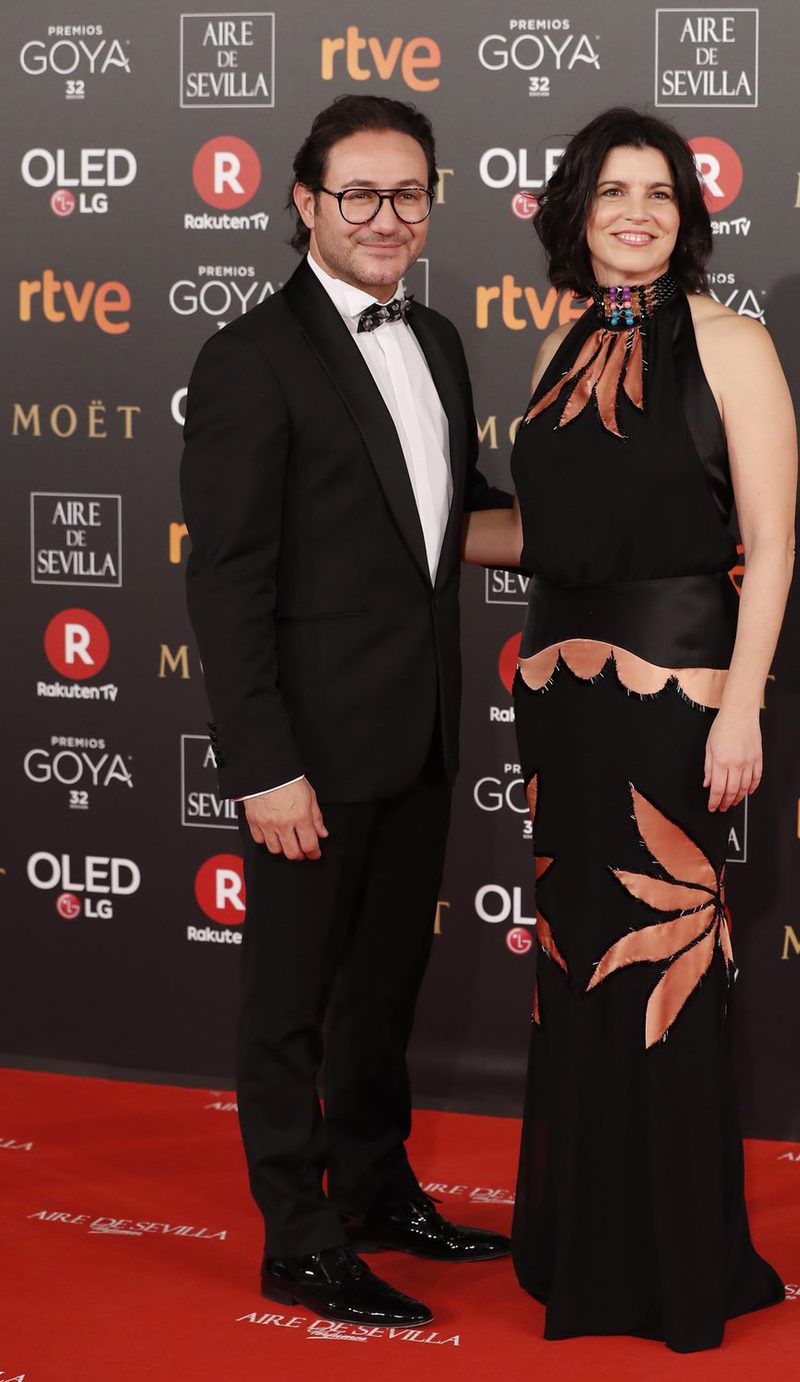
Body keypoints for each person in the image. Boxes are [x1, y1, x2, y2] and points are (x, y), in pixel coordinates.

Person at [464, 107, 795, 1352]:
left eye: (660, 192)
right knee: (573, 971)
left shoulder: (732, 343)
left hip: (681, 699)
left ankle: (670, 1262)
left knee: (665, 963)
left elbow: (767, 550)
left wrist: (745, 700)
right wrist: (389, 520)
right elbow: (542, 536)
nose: (637, 212)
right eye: (613, 191)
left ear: (688, 216)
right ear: (577, 211)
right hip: (557, 701)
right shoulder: (556, 344)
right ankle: (582, 1240)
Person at [180, 95, 512, 1330]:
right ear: (306, 205)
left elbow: (457, 513)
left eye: (410, 194)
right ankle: (298, 1237)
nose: (389, 217)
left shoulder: (436, 340)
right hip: (308, 757)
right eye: (360, 195)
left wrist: (628, 533)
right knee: (290, 1003)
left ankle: (375, 1188)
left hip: (420, 736)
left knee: (384, 988)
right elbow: (225, 580)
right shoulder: (250, 359)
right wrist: (262, 764)